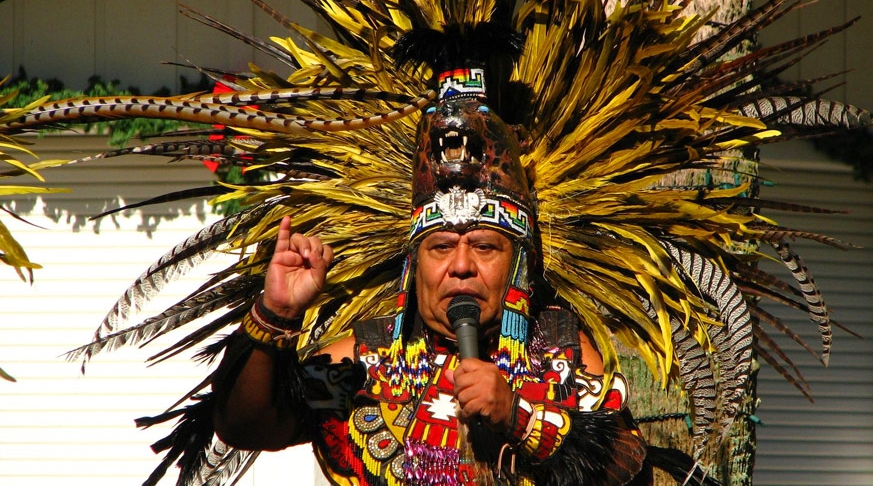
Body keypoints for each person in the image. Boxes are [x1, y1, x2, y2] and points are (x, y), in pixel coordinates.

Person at [211, 62, 656, 486]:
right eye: (441, 247)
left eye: (484, 246)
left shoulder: (560, 350)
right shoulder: (365, 362)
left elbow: (627, 468)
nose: (461, 266)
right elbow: (250, 425)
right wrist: (276, 314)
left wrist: (518, 416)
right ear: (414, 265)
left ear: (518, 262)